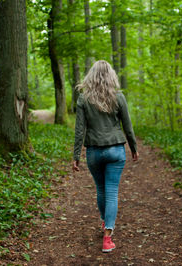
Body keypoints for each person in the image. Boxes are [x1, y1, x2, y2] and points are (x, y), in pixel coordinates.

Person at [72, 60, 139, 253]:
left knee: (101, 190)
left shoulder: (84, 99)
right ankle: (107, 239)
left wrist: (76, 155)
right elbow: (128, 126)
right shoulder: (118, 97)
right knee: (111, 192)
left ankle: (104, 222)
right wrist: (133, 147)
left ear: (91, 76)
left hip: (94, 151)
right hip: (116, 150)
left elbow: (79, 130)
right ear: (111, 76)